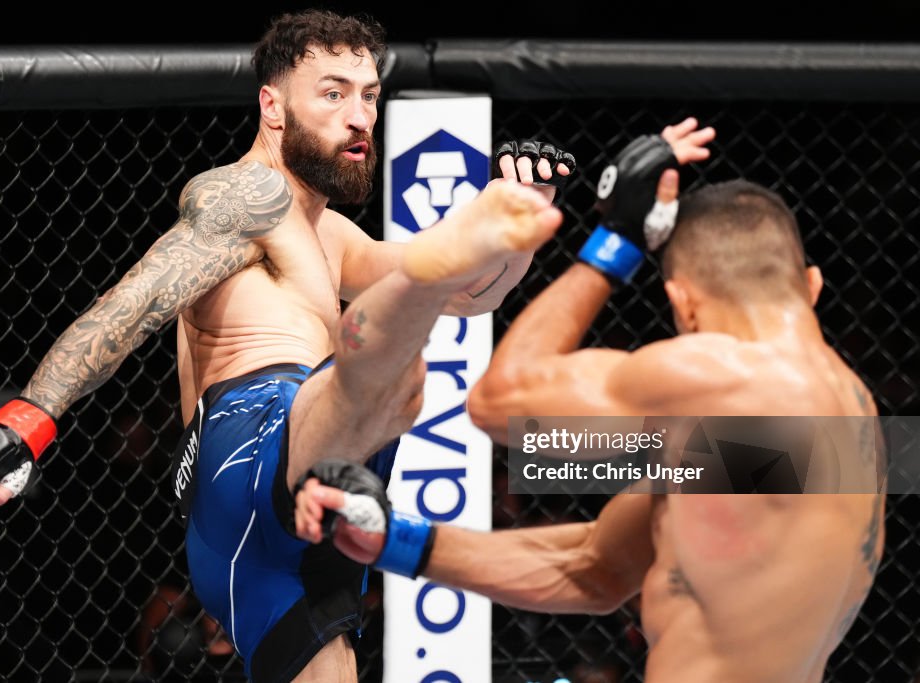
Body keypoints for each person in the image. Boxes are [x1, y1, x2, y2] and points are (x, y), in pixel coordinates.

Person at [0, 10, 571, 683]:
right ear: (272, 105)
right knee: (400, 367)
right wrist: (27, 420)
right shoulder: (247, 195)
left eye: (370, 95)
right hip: (252, 443)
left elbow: (474, 295)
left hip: (261, 532)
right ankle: (437, 270)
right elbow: (132, 305)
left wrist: (523, 222)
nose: (359, 116)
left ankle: (450, 261)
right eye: (332, 92)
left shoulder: (334, 238)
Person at [294, 119, 886, 682]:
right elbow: (594, 570)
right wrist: (394, 539)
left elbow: (501, 402)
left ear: (682, 303)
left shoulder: (732, 378)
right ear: (811, 284)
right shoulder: (840, 425)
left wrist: (616, 243)